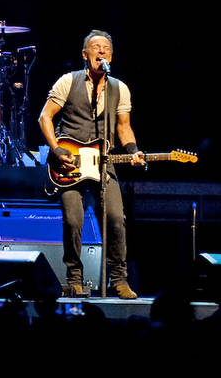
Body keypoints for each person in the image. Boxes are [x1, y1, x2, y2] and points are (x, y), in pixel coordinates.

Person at [37, 29, 143, 299]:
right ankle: (74, 277)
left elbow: (124, 127)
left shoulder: (120, 88)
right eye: (96, 47)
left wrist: (133, 151)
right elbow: (45, 117)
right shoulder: (67, 81)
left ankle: (118, 279)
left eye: (106, 48)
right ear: (85, 55)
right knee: (74, 220)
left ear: (112, 55)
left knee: (116, 219)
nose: (101, 51)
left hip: (103, 163)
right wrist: (57, 149)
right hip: (69, 164)